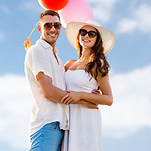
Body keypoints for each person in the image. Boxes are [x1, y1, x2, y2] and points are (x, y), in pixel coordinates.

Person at [24, 10, 98, 151]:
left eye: (57, 25)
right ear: (40, 28)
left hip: (60, 126)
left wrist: (90, 89)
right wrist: (85, 101)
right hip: (47, 125)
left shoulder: (57, 58)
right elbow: (49, 92)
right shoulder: (38, 51)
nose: (53, 29)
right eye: (48, 25)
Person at [60, 21, 115, 151]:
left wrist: (80, 95)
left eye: (92, 34)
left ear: (97, 39)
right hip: (67, 117)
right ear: (78, 36)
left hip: (86, 117)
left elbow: (108, 99)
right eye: (83, 32)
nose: (86, 36)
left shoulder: (97, 63)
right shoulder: (69, 64)